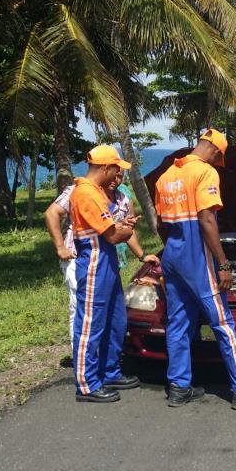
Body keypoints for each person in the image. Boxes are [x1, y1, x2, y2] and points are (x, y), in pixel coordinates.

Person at [154, 128, 236, 410]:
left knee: (178, 322)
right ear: (216, 151)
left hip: (172, 255)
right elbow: (207, 219)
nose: (218, 164)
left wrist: (173, 250)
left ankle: (179, 388)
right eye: (220, 159)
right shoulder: (205, 173)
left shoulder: (166, 176)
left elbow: (159, 224)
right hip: (197, 258)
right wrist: (223, 263)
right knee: (223, 323)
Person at [45, 168, 158, 355]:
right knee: (82, 309)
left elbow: (125, 232)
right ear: (105, 171)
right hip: (78, 258)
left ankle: (105, 359)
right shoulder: (80, 191)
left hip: (106, 261)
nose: (116, 179)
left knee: (110, 311)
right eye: (114, 174)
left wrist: (141, 255)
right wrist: (60, 247)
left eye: (120, 176)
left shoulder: (122, 198)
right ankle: (81, 356)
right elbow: (51, 213)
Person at [68, 145, 140, 402]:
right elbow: (113, 235)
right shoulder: (86, 193)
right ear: (106, 168)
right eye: (116, 169)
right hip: (94, 261)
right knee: (91, 323)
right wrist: (126, 229)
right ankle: (87, 383)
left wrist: (121, 227)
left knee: (115, 319)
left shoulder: (96, 191)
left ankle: (109, 371)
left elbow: (111, 228)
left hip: (107, 262)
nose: (118, 175)